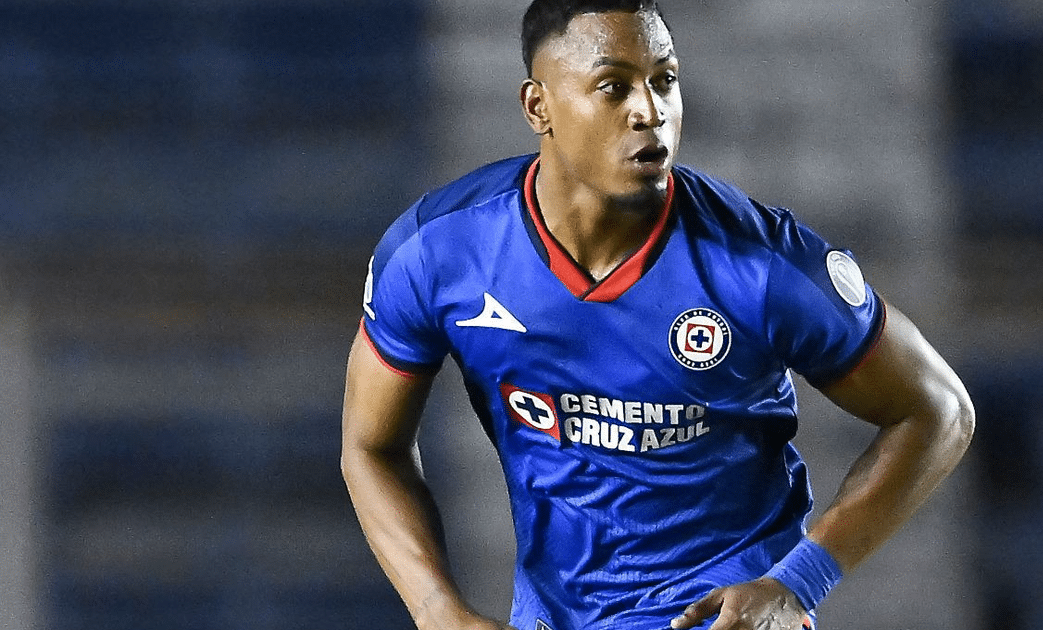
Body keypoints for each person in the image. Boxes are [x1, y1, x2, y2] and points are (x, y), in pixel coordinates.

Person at [340, 1, 975, 629]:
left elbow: (937, 409)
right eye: (613, 87)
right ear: (539, 107)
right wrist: (435, 609)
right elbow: (371, 446)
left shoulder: (761, 265)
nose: (650, 110)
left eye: (665, 80)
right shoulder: (437, 251)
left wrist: (797, 583)